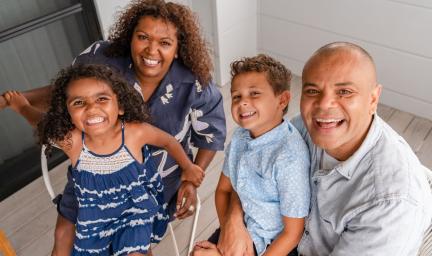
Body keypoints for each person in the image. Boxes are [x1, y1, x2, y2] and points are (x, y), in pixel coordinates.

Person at [0, 0, 226, 254]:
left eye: (164, 43)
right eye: (143, 37)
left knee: (134, 244)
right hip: (91, 182)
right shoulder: (101, 59)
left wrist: (190, 177)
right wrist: (15, 101)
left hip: (155, 183)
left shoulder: (192, 84)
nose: (152, 50)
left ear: (177, 49)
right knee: (65, 236)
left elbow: (209, 136)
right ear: (130, 37)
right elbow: (63, 93)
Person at [217, 42, 432, 256]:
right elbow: (252, 174)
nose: (324, 104)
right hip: (266, 237)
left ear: (373, 99)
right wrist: (233, 221)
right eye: (313, 90)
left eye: (345, 91)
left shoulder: (390, 206)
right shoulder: (305, 127)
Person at [5, 64, 208, 255]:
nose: (92, 108)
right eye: (79, 102)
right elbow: (42, 123)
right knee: (62, 243)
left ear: (119, 106)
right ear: (68, 115)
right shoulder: (72, 141)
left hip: (132, 208)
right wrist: (22, 106)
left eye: (102, 99)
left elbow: (168, 142)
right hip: (93, 210)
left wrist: (188, 166)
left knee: (137, 251)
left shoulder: (135, 133)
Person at [192, 54, 310, 256]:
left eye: (254, 94)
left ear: (282, 100)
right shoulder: (239, 138)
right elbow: (223, 191)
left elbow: (293, 233)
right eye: (236, 96)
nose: (242, 102)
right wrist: (228, 237)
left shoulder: (289, 157)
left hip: (274, 245)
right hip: (239, 228)